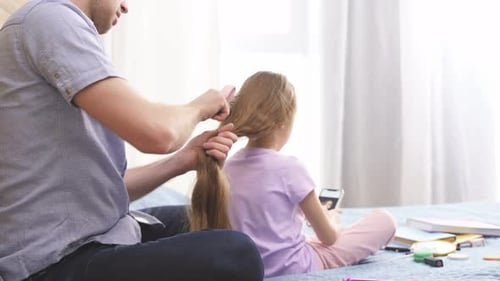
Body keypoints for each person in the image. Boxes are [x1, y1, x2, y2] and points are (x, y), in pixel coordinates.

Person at [0, 1, 264, 281]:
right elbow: (158, 134)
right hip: (55, 263)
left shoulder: (55, 28)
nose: (125, 7)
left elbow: (104, 188)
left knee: (212, 219)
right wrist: (200, 107)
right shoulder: (50, 19)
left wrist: (182, 161)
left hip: (97, 234)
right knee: (235, 253)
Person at [195, 71, 397, 278]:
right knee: (385, 221)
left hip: (250, 267)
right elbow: (328, 237)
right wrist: (331, 218)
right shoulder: (290, 168)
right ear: (284, 121)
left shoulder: (228, 165)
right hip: (296, 266)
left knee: (308, 239)